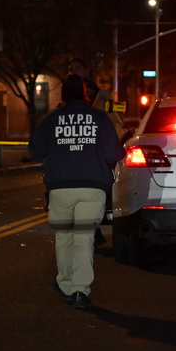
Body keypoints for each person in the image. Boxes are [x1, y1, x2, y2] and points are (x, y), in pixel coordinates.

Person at [28, 74, 126, 309]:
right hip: (92, 187)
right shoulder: (99, 118)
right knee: (84, 238)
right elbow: (114, 154)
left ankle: (66, 284)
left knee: (64, 238)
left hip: (60, 188)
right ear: (86, 95)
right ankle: (80, 291)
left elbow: (35, 150)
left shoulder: (52, 118)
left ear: (62, 95)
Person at [67, 58, 108, 248]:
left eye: (77, 68)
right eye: (71, 69)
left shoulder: (92, 91)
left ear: (85, 70)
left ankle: (94, 229)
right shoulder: (67, 88)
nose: (73, 71)